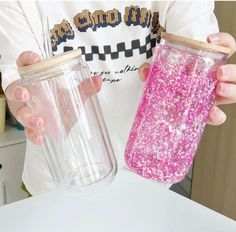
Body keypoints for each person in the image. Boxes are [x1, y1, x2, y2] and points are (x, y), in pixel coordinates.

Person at [0, 1, 236, 195]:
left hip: (149, 182)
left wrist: (203, 82)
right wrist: (30, 106)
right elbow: (19, 76)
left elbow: (196, 56)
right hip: (56, 181)